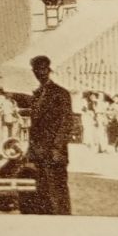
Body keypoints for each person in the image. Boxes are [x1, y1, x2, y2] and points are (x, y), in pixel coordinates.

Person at [26, 55, 72, 215]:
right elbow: (34, 128)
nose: (41, 73)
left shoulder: (61, 94)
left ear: (49, 70)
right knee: (43, 194)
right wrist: (30, 153)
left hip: (54, 153)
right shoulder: (36, 95)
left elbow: (66, 124)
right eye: (37, 70)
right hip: (39, 154)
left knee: (58, 193)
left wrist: (57, 148)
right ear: (34, 72)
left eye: (44, 69)